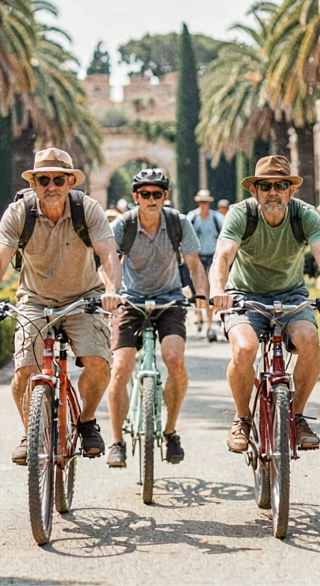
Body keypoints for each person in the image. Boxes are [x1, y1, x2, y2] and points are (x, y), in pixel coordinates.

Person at [0, 148, 123, 465]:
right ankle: (30, 433)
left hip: (83, 298)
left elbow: (108, 254)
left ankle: (86, 420)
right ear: (34, 182)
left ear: (70, 181)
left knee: (98, 363)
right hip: (34, 300)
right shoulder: (19, 212)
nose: (51, 186)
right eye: (43, 179)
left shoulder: (88, 209)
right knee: (26, 370)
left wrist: (111, 290)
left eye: (58, 179)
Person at [208, 155, 320, 452]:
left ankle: (296, 416)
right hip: (244, 295)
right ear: (255, 191)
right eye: (266, 186)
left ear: (290, 190)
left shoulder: (304, 216)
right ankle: (242, 419)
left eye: (280, 185)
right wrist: (218, 290)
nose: (273, 192)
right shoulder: (241, 214)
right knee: (244, 348)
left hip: (291, 294)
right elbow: (223, 255)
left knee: (309, 340)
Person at [105, 169, 209, 467]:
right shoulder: (122, 225)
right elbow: (109, 262)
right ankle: (116, 441)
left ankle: (171, 431)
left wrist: (201, 295)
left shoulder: (178, 223)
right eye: (145, 194)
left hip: (170, 299)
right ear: (136, 197)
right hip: (130, 300)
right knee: (121, 366)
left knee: (175, 360)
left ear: (165, 196)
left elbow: (194, 264)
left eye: (157, 194)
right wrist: (111, 291)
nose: (151, 199)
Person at [186, 188, 223, 335]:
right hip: (197, 258)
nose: (204, 205)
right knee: (197, 290)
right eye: (201, 202)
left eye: (206, 202)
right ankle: (200, 317)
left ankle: (209, 324)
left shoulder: (217, 218)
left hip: (212, 257)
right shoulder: (192, 217)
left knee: (210, 289)